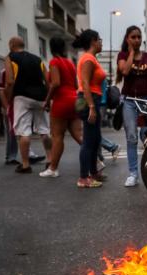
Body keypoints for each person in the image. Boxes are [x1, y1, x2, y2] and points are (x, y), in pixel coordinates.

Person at [3, 36, 52, 174]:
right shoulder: (37, 59)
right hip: (41, 97)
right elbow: (48, 80)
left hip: (22, 96)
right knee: (44, 130)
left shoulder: (9, 57)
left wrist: (9, 99)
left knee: (23, 132)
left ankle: (25, 164)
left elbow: (10, 81)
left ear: (11, 45)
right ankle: (50, 160)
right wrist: (48, 99)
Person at [117, 26, 147, 187]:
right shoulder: (123, 55)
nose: (137, 40)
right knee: (131, 137)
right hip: (130, 101)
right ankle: (133, 174)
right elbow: (125, 71)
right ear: (127, 39)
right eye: (133, 37)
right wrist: (131, 52)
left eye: (139, 37)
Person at [40, 37, 83, 178]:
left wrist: (47, 101)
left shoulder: (54, 62)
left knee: (57, 136)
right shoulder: (70, 64)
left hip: (61, 101)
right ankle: (96, 160)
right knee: (79, 135)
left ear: (51, 48)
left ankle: (53, 168)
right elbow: (76, 86)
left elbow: (56, 83)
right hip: (74, 100)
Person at [75, 29, 107, 188]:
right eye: (99, 39)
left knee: (95, 139)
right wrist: (92, 107)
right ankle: (83, 178)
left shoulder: (91, 58)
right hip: (88, 100)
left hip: (91, 99)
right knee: (88, 141)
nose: (101, 42)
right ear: (93, 41)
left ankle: (93, 172)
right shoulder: (88, 58)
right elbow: (85, 84)